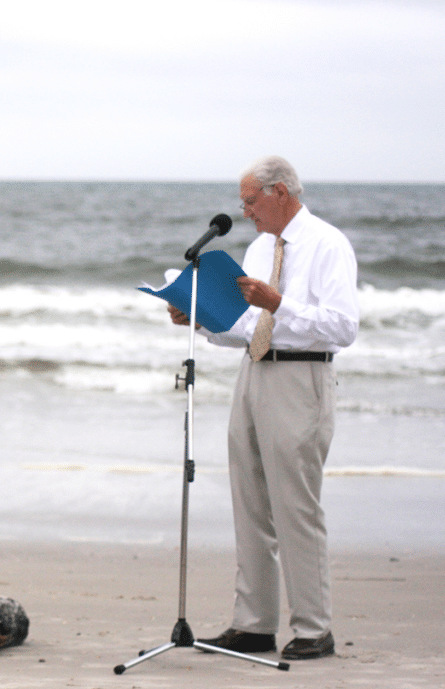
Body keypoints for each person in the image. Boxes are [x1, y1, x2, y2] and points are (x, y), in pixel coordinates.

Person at [168, 156, 359, 660]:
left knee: (295, 504)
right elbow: (247, 327)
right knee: (249, 501)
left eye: (251, 201)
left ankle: (314, 628)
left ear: (280, 192)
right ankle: (253, 624)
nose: (245, 211)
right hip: (254, 372)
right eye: (243, 203)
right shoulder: (258, 247)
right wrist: (200, 322)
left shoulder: (326, 243)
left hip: (302, 376)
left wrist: (279, 304)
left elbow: (343, 327)